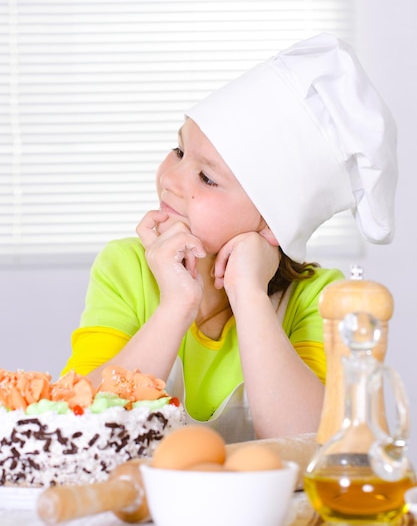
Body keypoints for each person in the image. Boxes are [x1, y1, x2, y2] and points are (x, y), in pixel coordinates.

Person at [62, 33, 397, 443]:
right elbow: (76, 422)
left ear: (272, 222)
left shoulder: (319, 298)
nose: (170, 179)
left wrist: (250, 296)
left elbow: (312, 441)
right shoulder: (126, 268)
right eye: (179, 150)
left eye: (207, 177)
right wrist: (176, 306)